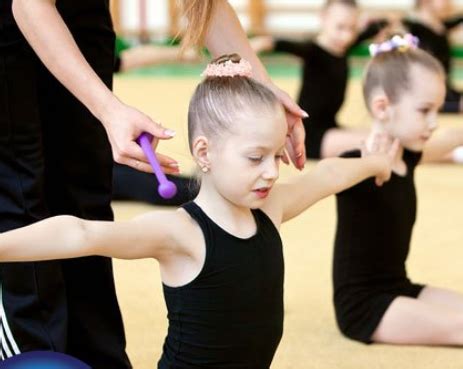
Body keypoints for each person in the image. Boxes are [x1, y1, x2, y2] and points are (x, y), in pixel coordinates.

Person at [0, 54, 398, 368]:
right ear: (204, 153)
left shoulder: (270, 209)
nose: (272, 172)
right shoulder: (180, 232)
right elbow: (80, 234)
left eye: (277, 156)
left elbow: (325, 176)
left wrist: (374, 163)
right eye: (256, 157)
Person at [1, 0, 307, 366]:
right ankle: (33, 345)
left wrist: (264, 93)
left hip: (84, 15)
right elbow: (29, 5)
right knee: (23, 192)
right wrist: (109, 110)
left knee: (87, 193)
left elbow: (204, 4)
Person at [333, 35, 463, 346]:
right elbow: (310, 186)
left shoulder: (409, 155)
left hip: (399, 287)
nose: (434, 123)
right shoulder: (354, 166)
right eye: (424, 110)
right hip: (365, 305)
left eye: (437, 110)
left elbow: (451, 137)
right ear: (383, 107)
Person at [251, 0, 389, 159]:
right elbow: (277, 44)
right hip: (310, 135)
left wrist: (371, 19)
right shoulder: (313, 51)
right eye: (340, 27)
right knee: (377, 142)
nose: (346, 36)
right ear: (323, 18)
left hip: (331, 127)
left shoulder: (345, 47)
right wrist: (253, 47)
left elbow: (379, 25)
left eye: (352, 29)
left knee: (383, 135)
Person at [402, 0, 463, 113]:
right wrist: (454, 106)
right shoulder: (414, 31)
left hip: (445, 92)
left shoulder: (438, 25)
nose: (448, 3)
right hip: (429, 98)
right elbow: (417, 92)